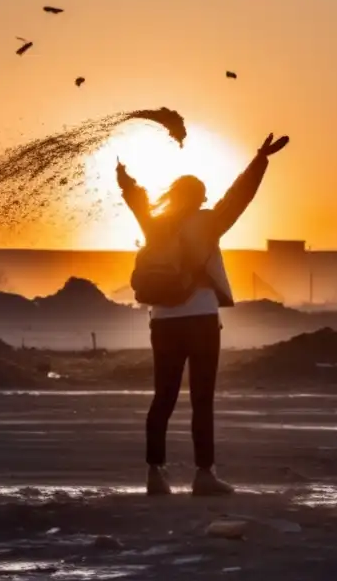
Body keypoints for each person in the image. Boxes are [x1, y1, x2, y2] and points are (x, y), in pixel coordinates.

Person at [117, 133, 290, 496]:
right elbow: (239, 197)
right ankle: (204, 475)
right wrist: (260, 159)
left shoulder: (153, 224)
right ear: (199, 198)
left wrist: (125, 178)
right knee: (201, 398)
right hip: (201, 319)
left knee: (162, 397)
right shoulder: (208, 222)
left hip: (161, 321)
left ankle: (154, 474)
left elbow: (135, 201)